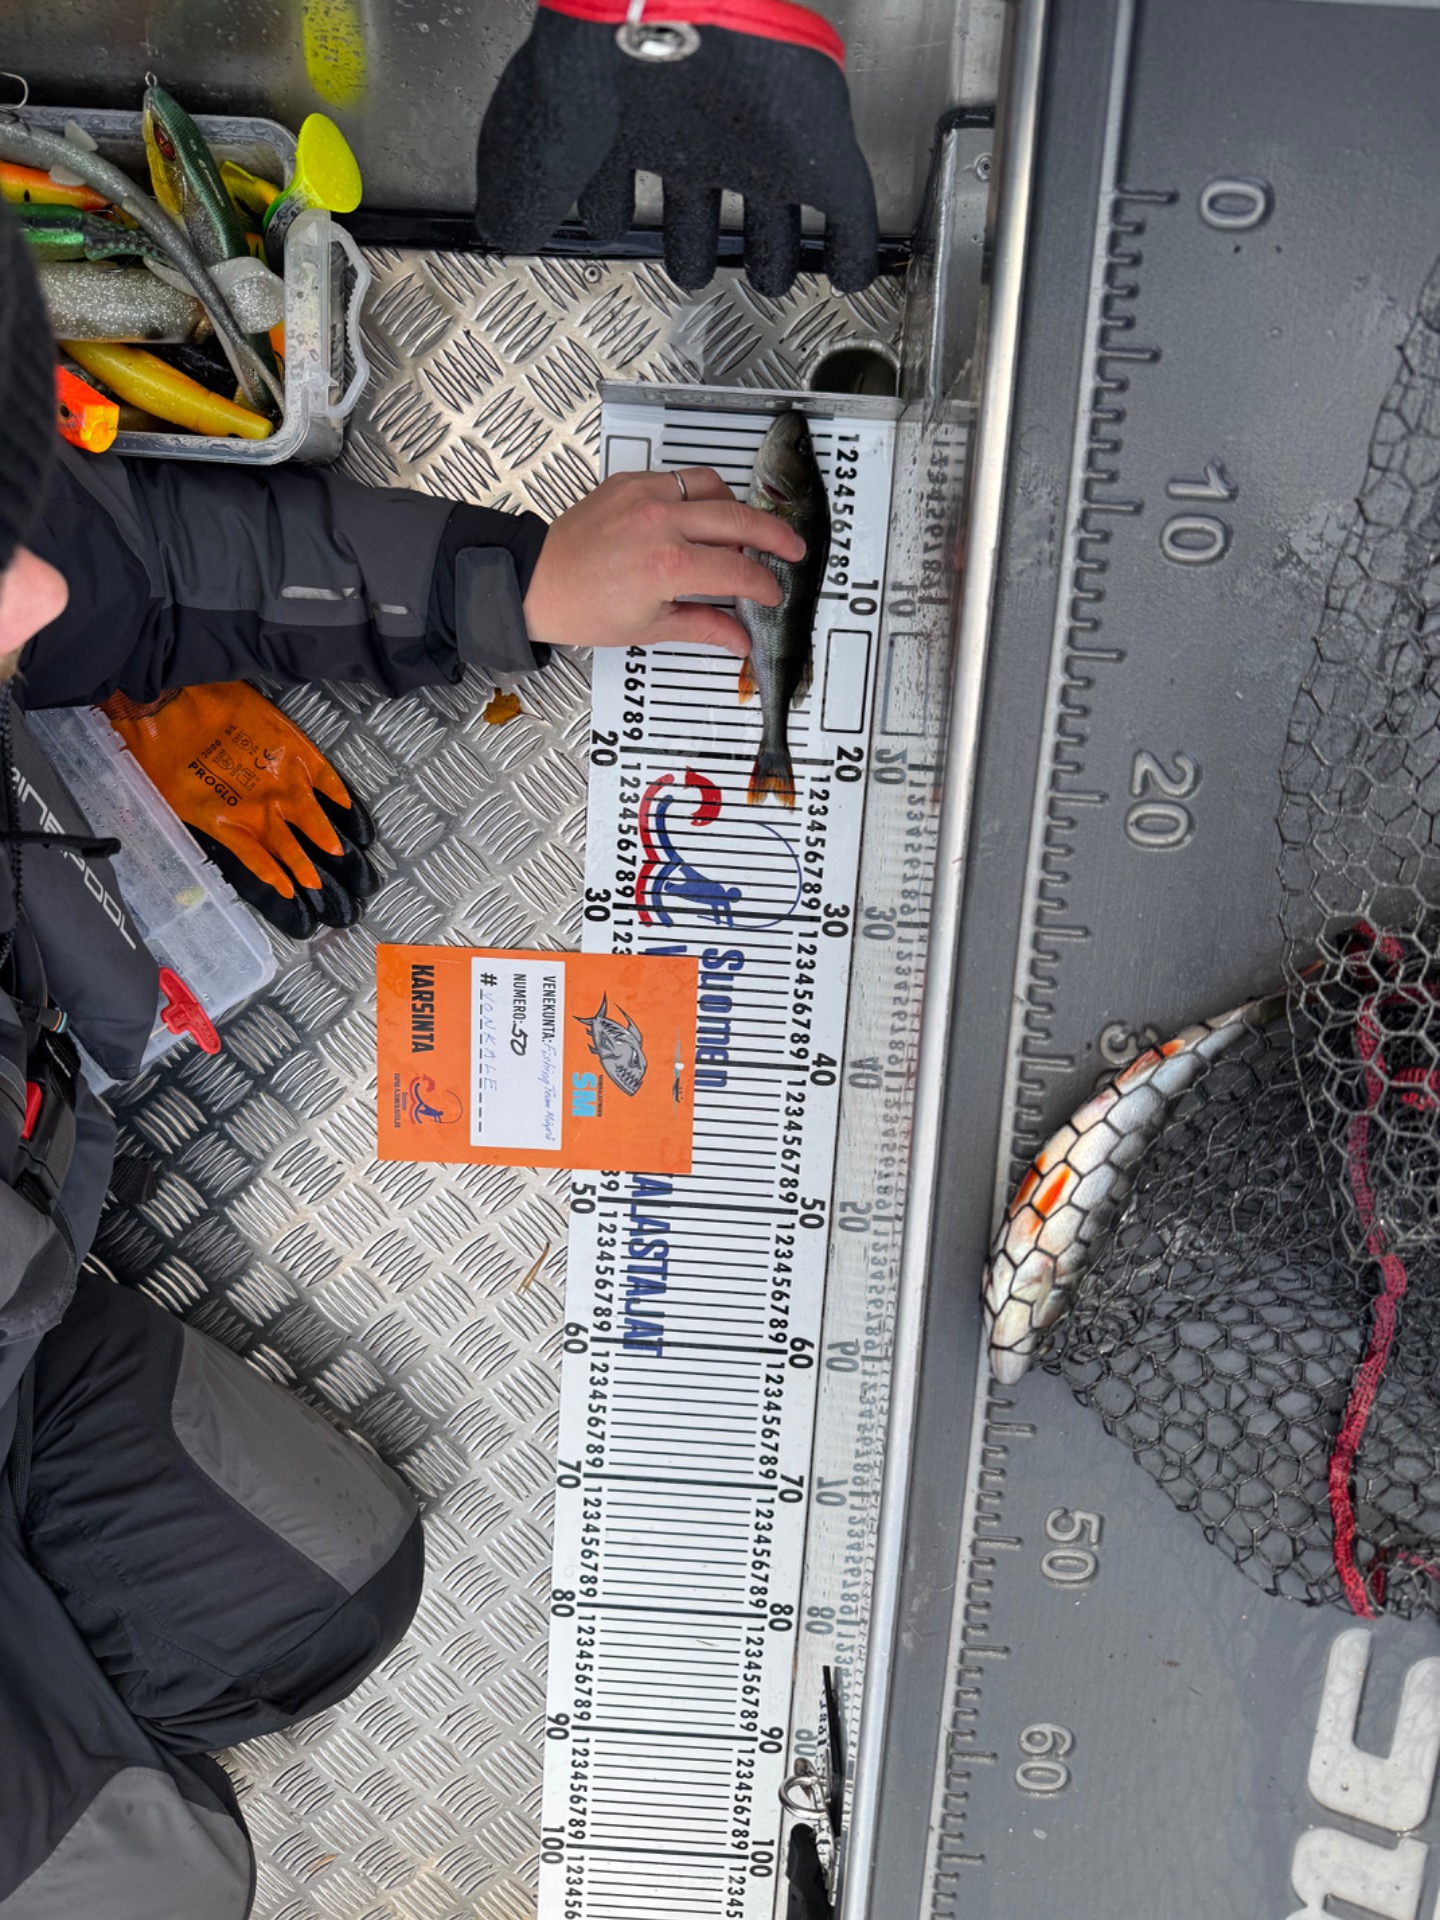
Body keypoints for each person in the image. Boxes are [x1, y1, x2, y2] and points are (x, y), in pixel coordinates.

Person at [0, 197, 802, 1918]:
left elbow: (129, 569)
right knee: (150, 1880)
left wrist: (504, 584)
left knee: (332, 1590)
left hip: (23, 1300)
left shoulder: (30, 574)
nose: (41, 595)